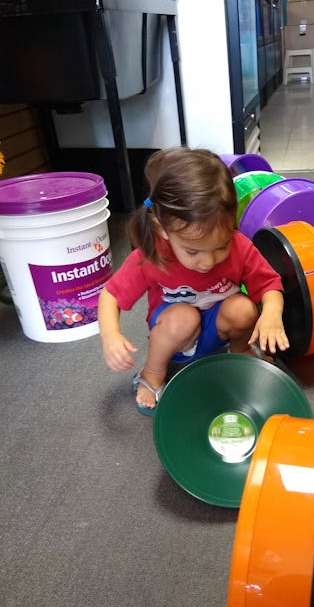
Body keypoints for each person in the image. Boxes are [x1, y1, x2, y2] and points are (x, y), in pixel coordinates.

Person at [98, 147, 289, 416]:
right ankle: (152, 375)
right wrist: (111, 336)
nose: (208, 261)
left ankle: (240, 352)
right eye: (192, 251)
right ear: (163, 229)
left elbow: (269, 285)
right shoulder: (152, 255)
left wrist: (271, 314)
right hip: (175, 336)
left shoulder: (240, 247)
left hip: (217, 331)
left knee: (244, 307)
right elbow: (111, 296)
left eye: (221, 246)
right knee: (183, 316)